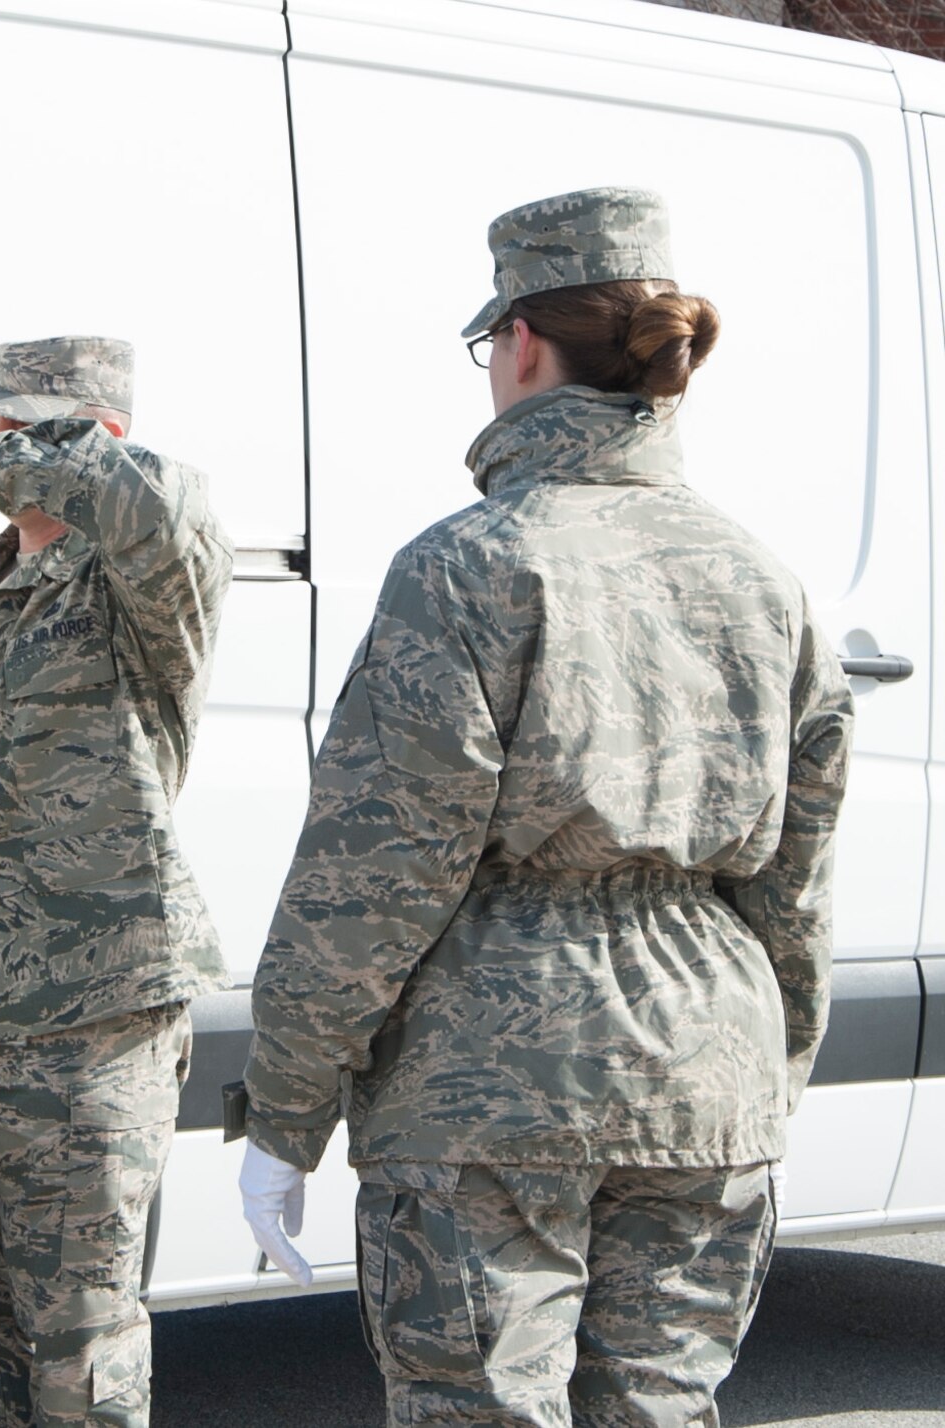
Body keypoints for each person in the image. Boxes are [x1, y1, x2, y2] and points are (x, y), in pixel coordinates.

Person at [237, 189, 853, 1426]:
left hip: (488, 1085)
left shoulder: (466, 564)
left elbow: (371, 875)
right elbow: (798, 875)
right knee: (661, 1408)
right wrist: (762, 1073)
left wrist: (284, 1110)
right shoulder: (762, 580)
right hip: (705, 1066)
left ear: (518, 341)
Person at [0, 336, 233, 1426]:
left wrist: (0, 465)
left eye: (22, 430)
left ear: (99, 436)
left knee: (76, 1340)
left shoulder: (148, 579)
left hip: (89, 1010)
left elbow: (153, 505)